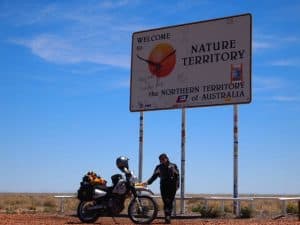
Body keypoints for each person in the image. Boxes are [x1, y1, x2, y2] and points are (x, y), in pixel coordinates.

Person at [143, 153, 179, 224]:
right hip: (163, 185)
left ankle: (168, 216)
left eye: (163, 159)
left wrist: (177, 185)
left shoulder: (173, 165)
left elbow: (177, 176)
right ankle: (167, 217)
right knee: (166, 201)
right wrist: (147, 182)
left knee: (170, 202)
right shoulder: (158, 167)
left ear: (166, 158)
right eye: (160, 159)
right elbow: (154, 176)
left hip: (172, 186)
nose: (162, 160)